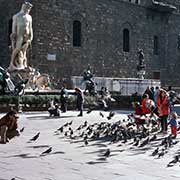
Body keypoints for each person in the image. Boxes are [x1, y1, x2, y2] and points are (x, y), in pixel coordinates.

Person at [8, 2, 33, 71]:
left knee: (24, 50)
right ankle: (12, 63)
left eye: (29, 8)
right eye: (28, 8)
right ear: (24, 7)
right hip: (19, 35)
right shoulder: (17, 16)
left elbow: (30, 27)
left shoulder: (29, 17)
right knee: (17, 48)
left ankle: (23, 64)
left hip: (26, 36)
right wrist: (14, 34)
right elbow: (14, 26)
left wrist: (31, 37)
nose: (28, 10)